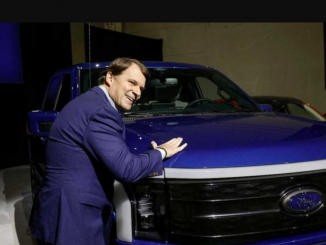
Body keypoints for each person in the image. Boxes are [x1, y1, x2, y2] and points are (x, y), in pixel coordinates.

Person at [30, 57, 187, 245]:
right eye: (132, 82)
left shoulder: (90, 102)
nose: (137, 92)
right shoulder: (100, 112)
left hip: (66, 207)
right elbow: (126, 169)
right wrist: (161, 152)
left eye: (141, 88)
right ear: (110, 77)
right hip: (75, 217)